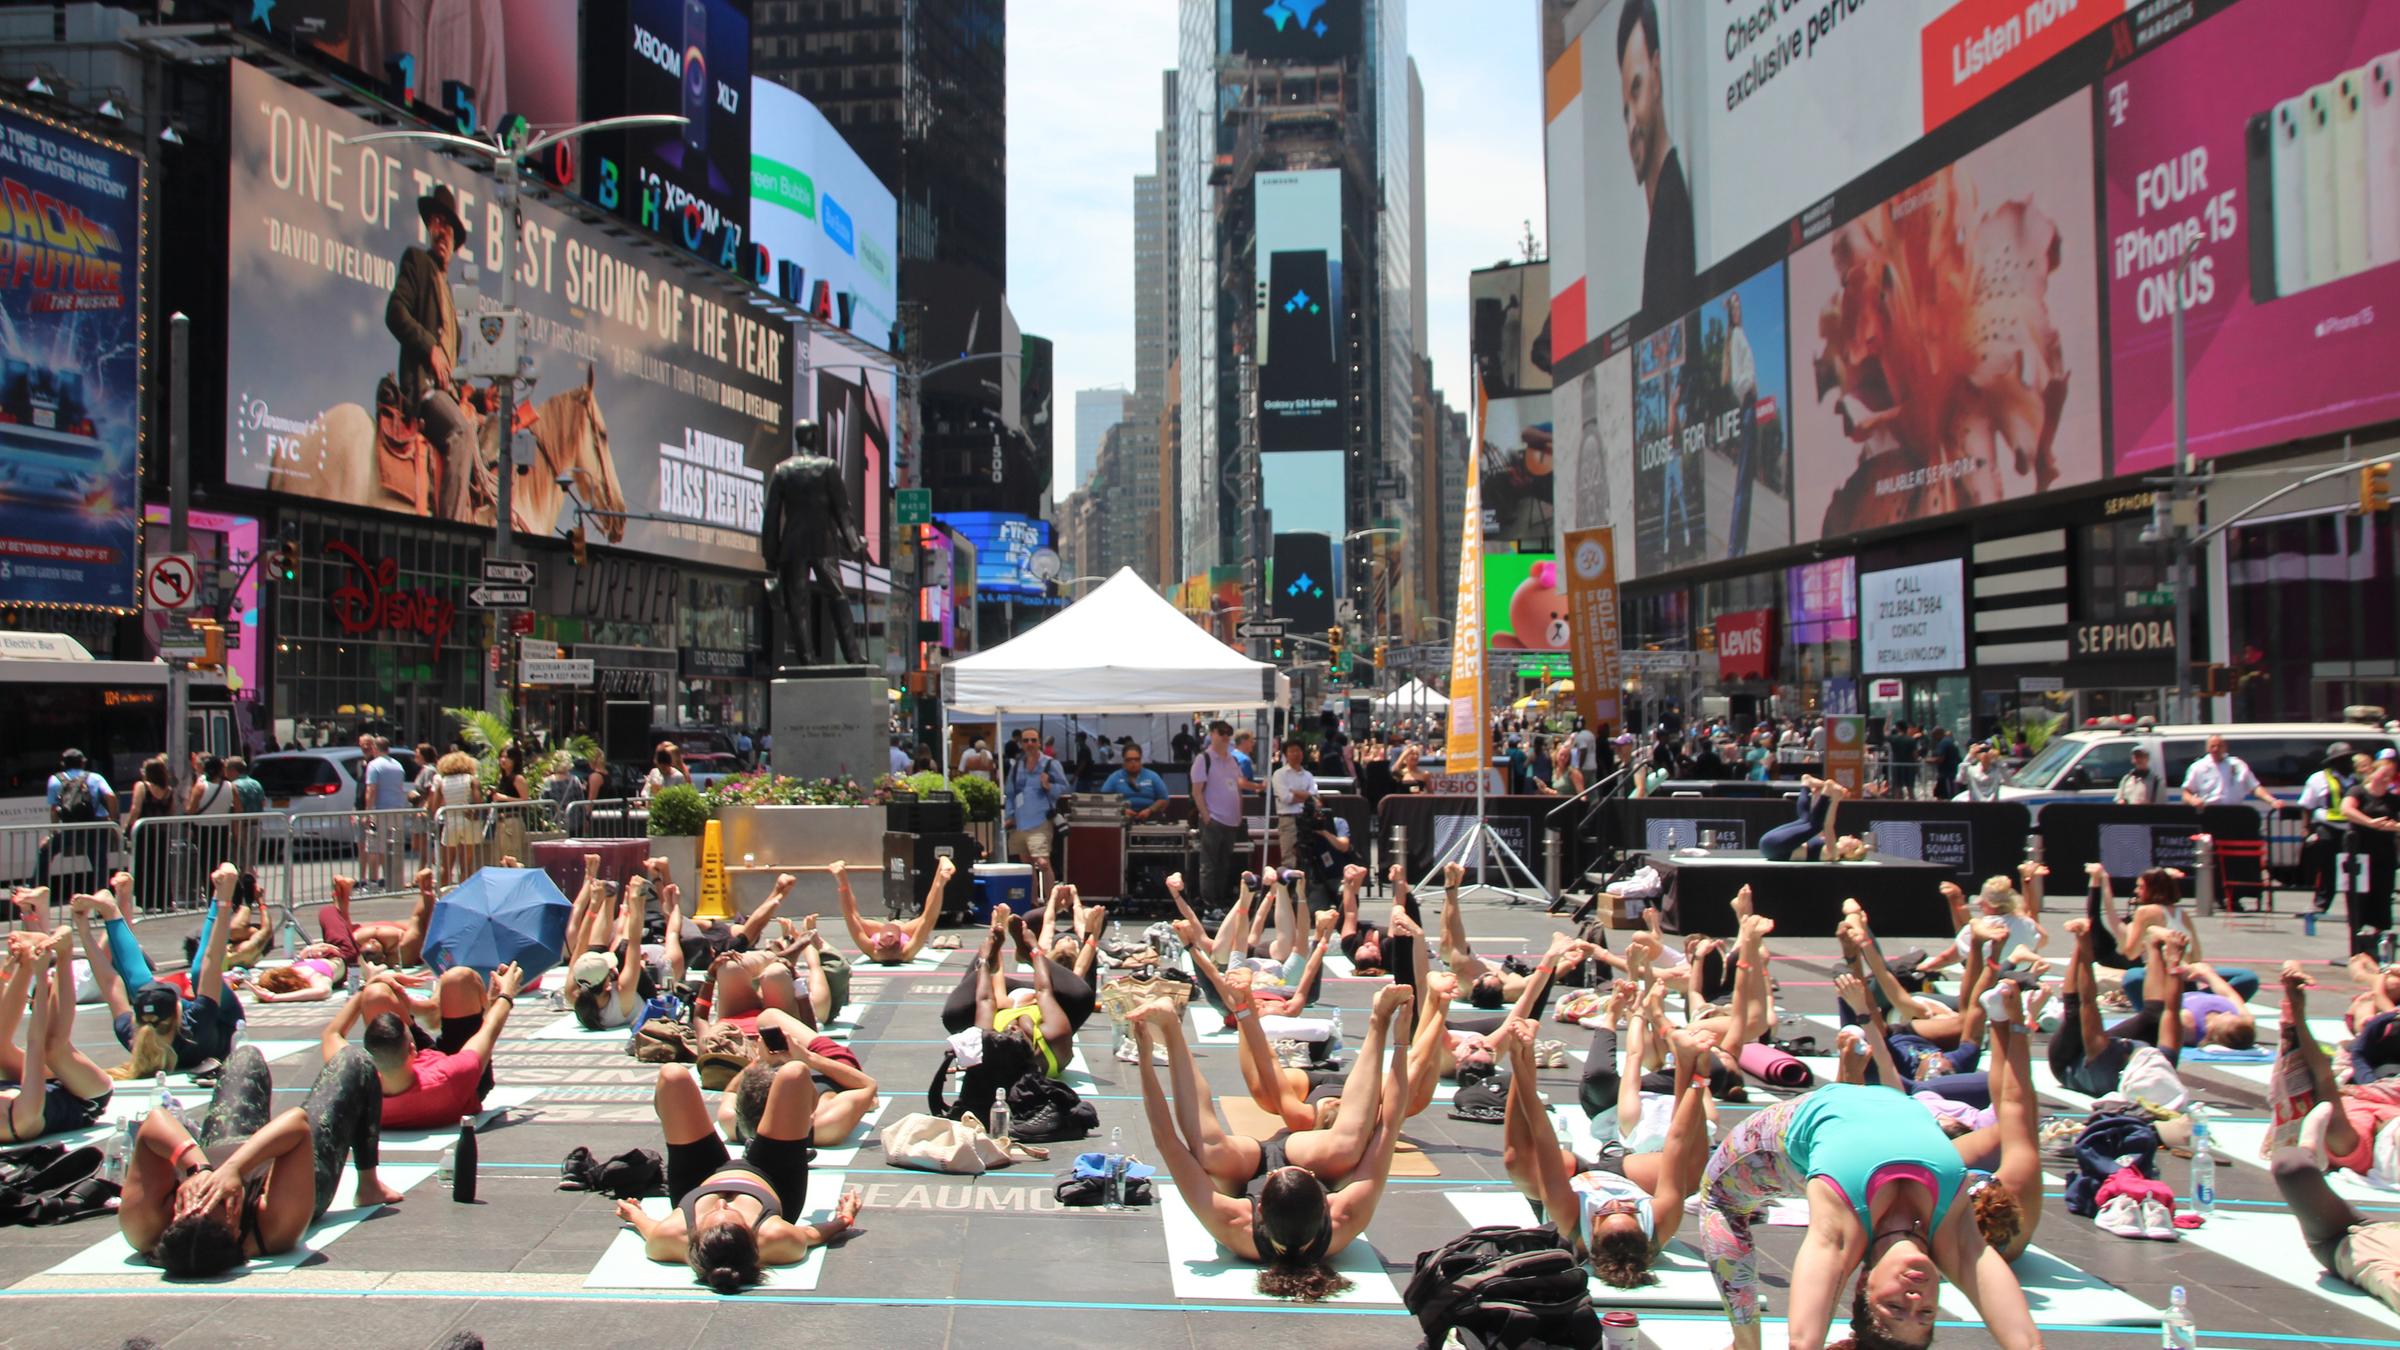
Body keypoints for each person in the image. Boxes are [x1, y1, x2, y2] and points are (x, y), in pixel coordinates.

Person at [1697, 1079, 2039, 1350]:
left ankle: (1744, 1345)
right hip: (1878, 1096)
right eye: (1926, 1313)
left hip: (1776, 1144)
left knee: (1718, 1200)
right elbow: (2026, 1342)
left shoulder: (1844, 1229)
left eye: (1895, 1307)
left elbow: (1803, 1341)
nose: (1915, 1298)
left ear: (1862, 1282)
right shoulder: (1951, 1233)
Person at [1127, 985, 1413, 1301]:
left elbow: (1168, 1141)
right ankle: (1376, 1020)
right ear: (1325, 1204)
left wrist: (1145, 1056)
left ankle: (1172, 1026)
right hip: (1300, 1150)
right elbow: (1388, 1126)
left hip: (1243, 1167)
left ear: (1258, 1207)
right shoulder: (1345, 1217)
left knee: (1208, 1151)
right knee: (1348, 1146)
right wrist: (1396, 1038)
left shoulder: (1235, 1225)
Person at [115, 1042, 398, 1276]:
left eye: (190, 1200)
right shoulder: (274, 1230)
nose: (204, 1194)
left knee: (244, 1056)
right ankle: (369, 1186)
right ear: (235, 1227)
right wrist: (235, 1170)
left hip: (224, 1150)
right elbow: (297, 1125)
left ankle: (218, 1165)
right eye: (217, 1202)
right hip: (291, 1167)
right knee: (355, 1060)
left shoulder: (144, 1228)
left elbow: (155, 1121)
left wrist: (198, 1169)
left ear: (174, 1217)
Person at [614, 1062, 863, 1291]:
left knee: (672, 1076)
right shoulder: (774, 1238)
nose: (722, 1202)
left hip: (700, 1177)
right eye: (732, 1213)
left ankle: (759, 1131)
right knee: (795, 1073)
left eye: (713, 1215)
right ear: (751, 1237)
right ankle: (803, 1127)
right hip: (771, 1175)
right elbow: (814, 1234)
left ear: (696, 1237)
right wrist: (844, 1219)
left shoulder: (670, 1238)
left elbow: (649, 1228)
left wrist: (634, 1214)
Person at [320, 961, 526, 1130]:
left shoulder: (356, 1083)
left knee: (376, 994)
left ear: (369, 1057)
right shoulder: (451, 1075)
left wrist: (368, 988)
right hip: (458, 1085)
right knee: (460, 978)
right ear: (412, 1049)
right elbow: (489, 1031)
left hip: (417, 1078)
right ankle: (444, 1007)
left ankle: (427, 1008)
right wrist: (506, 994)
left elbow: (332, 1034)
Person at [385, 183, 483, 523]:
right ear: (430, 226)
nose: (444, 233)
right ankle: (453, 532)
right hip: (423, 391)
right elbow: (395, 313)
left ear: (455, 241)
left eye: (450, 228)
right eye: (439, 223)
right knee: (461, 433)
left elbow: (452, 373)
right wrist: (429, 348)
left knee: (487, 439)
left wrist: (483, 399)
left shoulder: (450, 297)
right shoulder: (417, 262)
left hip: (446, 393)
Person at [0, 924, 112, 1143]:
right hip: (85, 1096)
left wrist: (8, 974)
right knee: (53, 1049)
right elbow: (35, 1043)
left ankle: (26, 955)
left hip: (42, 1085)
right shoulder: (20, 1119)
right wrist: (41, 978)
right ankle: (64, 953)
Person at [833, 855, 950, 967]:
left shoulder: (872, 949)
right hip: (904, 931)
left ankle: (941, 870)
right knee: (925, 918)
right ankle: (941, 868)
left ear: (878, 942)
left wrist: (842, 881)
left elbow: (851, 916)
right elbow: (929, 917)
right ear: (900, 943)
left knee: (856, 920)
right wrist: (940, 883)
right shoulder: (907, 951)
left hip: (886, 932)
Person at [2344, 757, 2400, 958]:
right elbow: (2347, 810)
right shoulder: (2358, 792)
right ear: (2372, 772)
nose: (2386, 778)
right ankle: (2357, 943)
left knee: (2382, 895)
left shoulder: (2393, 799)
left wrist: (2394, 827)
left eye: (2390, 775)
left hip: (2384, 854)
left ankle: (2379, 940)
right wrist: (2370, 822)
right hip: (2359, 853)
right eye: (2383, 773)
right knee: (2358, 897)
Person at [1007, 728, 1069, 895]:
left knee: (1043, 862)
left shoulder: (1050, 764)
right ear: (1021, 744)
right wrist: (1009, 815)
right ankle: (1033, 903)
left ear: (1039, 742)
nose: (1030, 744)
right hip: (1019, 823)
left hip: (1040, 820)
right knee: (1027, 867)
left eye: (1033, 740)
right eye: (1026, 741)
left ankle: (1051, 903)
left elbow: (1064, 788)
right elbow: (1010, 793)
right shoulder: (1017, 765)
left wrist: (1049, 786)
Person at [1192, 720, 1247, 909]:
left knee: (1224, 864)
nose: (1225, 736)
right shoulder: (1203, 759)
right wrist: (1206, 816)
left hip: (1231, 821)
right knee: (1209, 865)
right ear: (1212, 734)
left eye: (1228, 733)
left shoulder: (1233, 760)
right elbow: (1197, 791)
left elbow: (1238, 787)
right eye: (1221, 732)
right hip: (1213, 820)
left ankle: (1220, 901)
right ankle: (1209, 903)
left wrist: (1239, 814)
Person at [2302, 743, 2358, 912]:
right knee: (2328, 867)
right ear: (2334, 762)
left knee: (2356, 867)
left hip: (2353, 829)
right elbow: (2307, 805)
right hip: (2327, 827)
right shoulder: (2318, 779)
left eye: (2349, 758)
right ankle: (2321, 903)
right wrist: (2306, 829)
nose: (2348, 762)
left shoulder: (2358, 778)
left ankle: (2356, 907)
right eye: (2343, 759)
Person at [1757, 776, 1861, 863]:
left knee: (1815, 826)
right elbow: (1814, 819)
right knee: (1806, 820)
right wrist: (1817, 794)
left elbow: (1827, 825)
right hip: (1772, 845)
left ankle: (1817, 788)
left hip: (1775, 847)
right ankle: (1806, 785)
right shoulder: (1824, 842)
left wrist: (1834, 800)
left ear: (1850, 851)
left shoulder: (1834, 854)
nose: (1851, 836)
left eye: (1854, 840)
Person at [425, 751, 482, 887]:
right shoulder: (471, 779)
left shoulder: (443, 782)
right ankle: (464, 895)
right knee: (466, 864)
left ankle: (443, 895)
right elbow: (479, 802)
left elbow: (435, 807)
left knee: (447, 864)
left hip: (450, 821)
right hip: (468, 821)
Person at [2181, 733, 2279, 810]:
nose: (2216, 749)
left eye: (2219, 746)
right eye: (2212, 746)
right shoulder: (2198, 767)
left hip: (2234, 812)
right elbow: (2186, 793)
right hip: (2209, 812)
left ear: (2225, 747)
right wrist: (2193, 800)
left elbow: (2255, 788)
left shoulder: (2238, 765)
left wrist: (2272, 801)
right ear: (2207, 748)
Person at [360, 738, 410, 887]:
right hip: (397, 809)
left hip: (380, 809)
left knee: (374, 846)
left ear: (375, 748)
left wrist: (367, 812)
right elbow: (399, 788)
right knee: (394, 846)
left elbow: (371, 789)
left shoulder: (374, 765)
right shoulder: (398, 765)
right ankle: (394, 880)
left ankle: (374, 881)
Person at [1269, 739, 1316, 867]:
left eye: (1298, 750)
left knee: (1308, 856)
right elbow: (1286, 798)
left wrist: (1294, 791)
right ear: (1286, 754)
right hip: (1288, 820)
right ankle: (1289, 885)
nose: (1295, 754)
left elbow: (1312, 796)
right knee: (1289, 857)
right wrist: (1304, 796)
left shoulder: (1308, 776)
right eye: (1292, 751)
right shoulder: (1279, 774)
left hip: (1306, 819)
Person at [1100, 745, 1171, 822]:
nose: (1133, 763)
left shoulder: (1153, 776)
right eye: (1129, 760)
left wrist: (1149, 810)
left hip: (1150, 818)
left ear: (1141, 760)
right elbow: (1103, 799)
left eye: (1137, 759)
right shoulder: (1114, 777)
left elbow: (1164, 799)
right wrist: (1122, 811)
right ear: (1124, 761)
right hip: (1122, 819)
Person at [1887, 722, 1921, 799]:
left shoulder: (1894, 738)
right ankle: (1913, 808)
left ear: (1898, 728)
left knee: (1898, 790)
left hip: (1897, 766)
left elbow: (1885, 733)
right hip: (1909, 766)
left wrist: (1888, 720)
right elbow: (1915, 755)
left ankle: (1898, 809)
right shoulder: (1911, 740)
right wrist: (1917, 767)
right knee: (1910, 790)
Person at [1928, 727, 1963, 799]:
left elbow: (1940, 759)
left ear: (1939, 734)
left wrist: (1928, 760)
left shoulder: (1944, 743)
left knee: (1949, 795)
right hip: (1946, 774)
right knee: (1940, 794)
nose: (1933, 738)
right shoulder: (1949, 741)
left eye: (1934, 735)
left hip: (1947, 774)